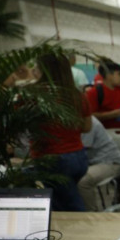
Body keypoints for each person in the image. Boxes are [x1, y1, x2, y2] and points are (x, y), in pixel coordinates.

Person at [30, 53, 92, 211]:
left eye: (36, 67)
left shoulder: (34, 96)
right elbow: (86, 127)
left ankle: (86, 232)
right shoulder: (77, 95)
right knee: (65, 201)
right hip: (78, 157)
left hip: (52, 159)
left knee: (69, 208)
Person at [77, 116, 120, 211]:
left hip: (110, 163)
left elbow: (81, 151)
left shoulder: (88, 122)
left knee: (82, 180)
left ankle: (91, 214)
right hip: (92, 162)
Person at [85, 60, 120, 135]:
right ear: (108, 75)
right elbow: (90, 117)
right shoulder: (94, 93)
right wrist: (111, 114)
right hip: (106, 136)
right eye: (119, 74)